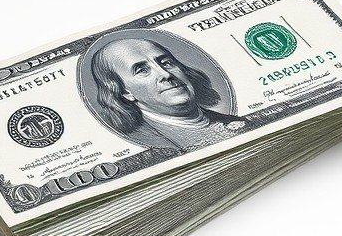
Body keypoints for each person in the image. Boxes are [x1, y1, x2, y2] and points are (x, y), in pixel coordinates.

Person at [89, 37, 242, 151]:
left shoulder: (236, 121)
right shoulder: (147, 143)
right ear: (124, 92)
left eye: (166, 63)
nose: (166, 74)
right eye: (142, 70)